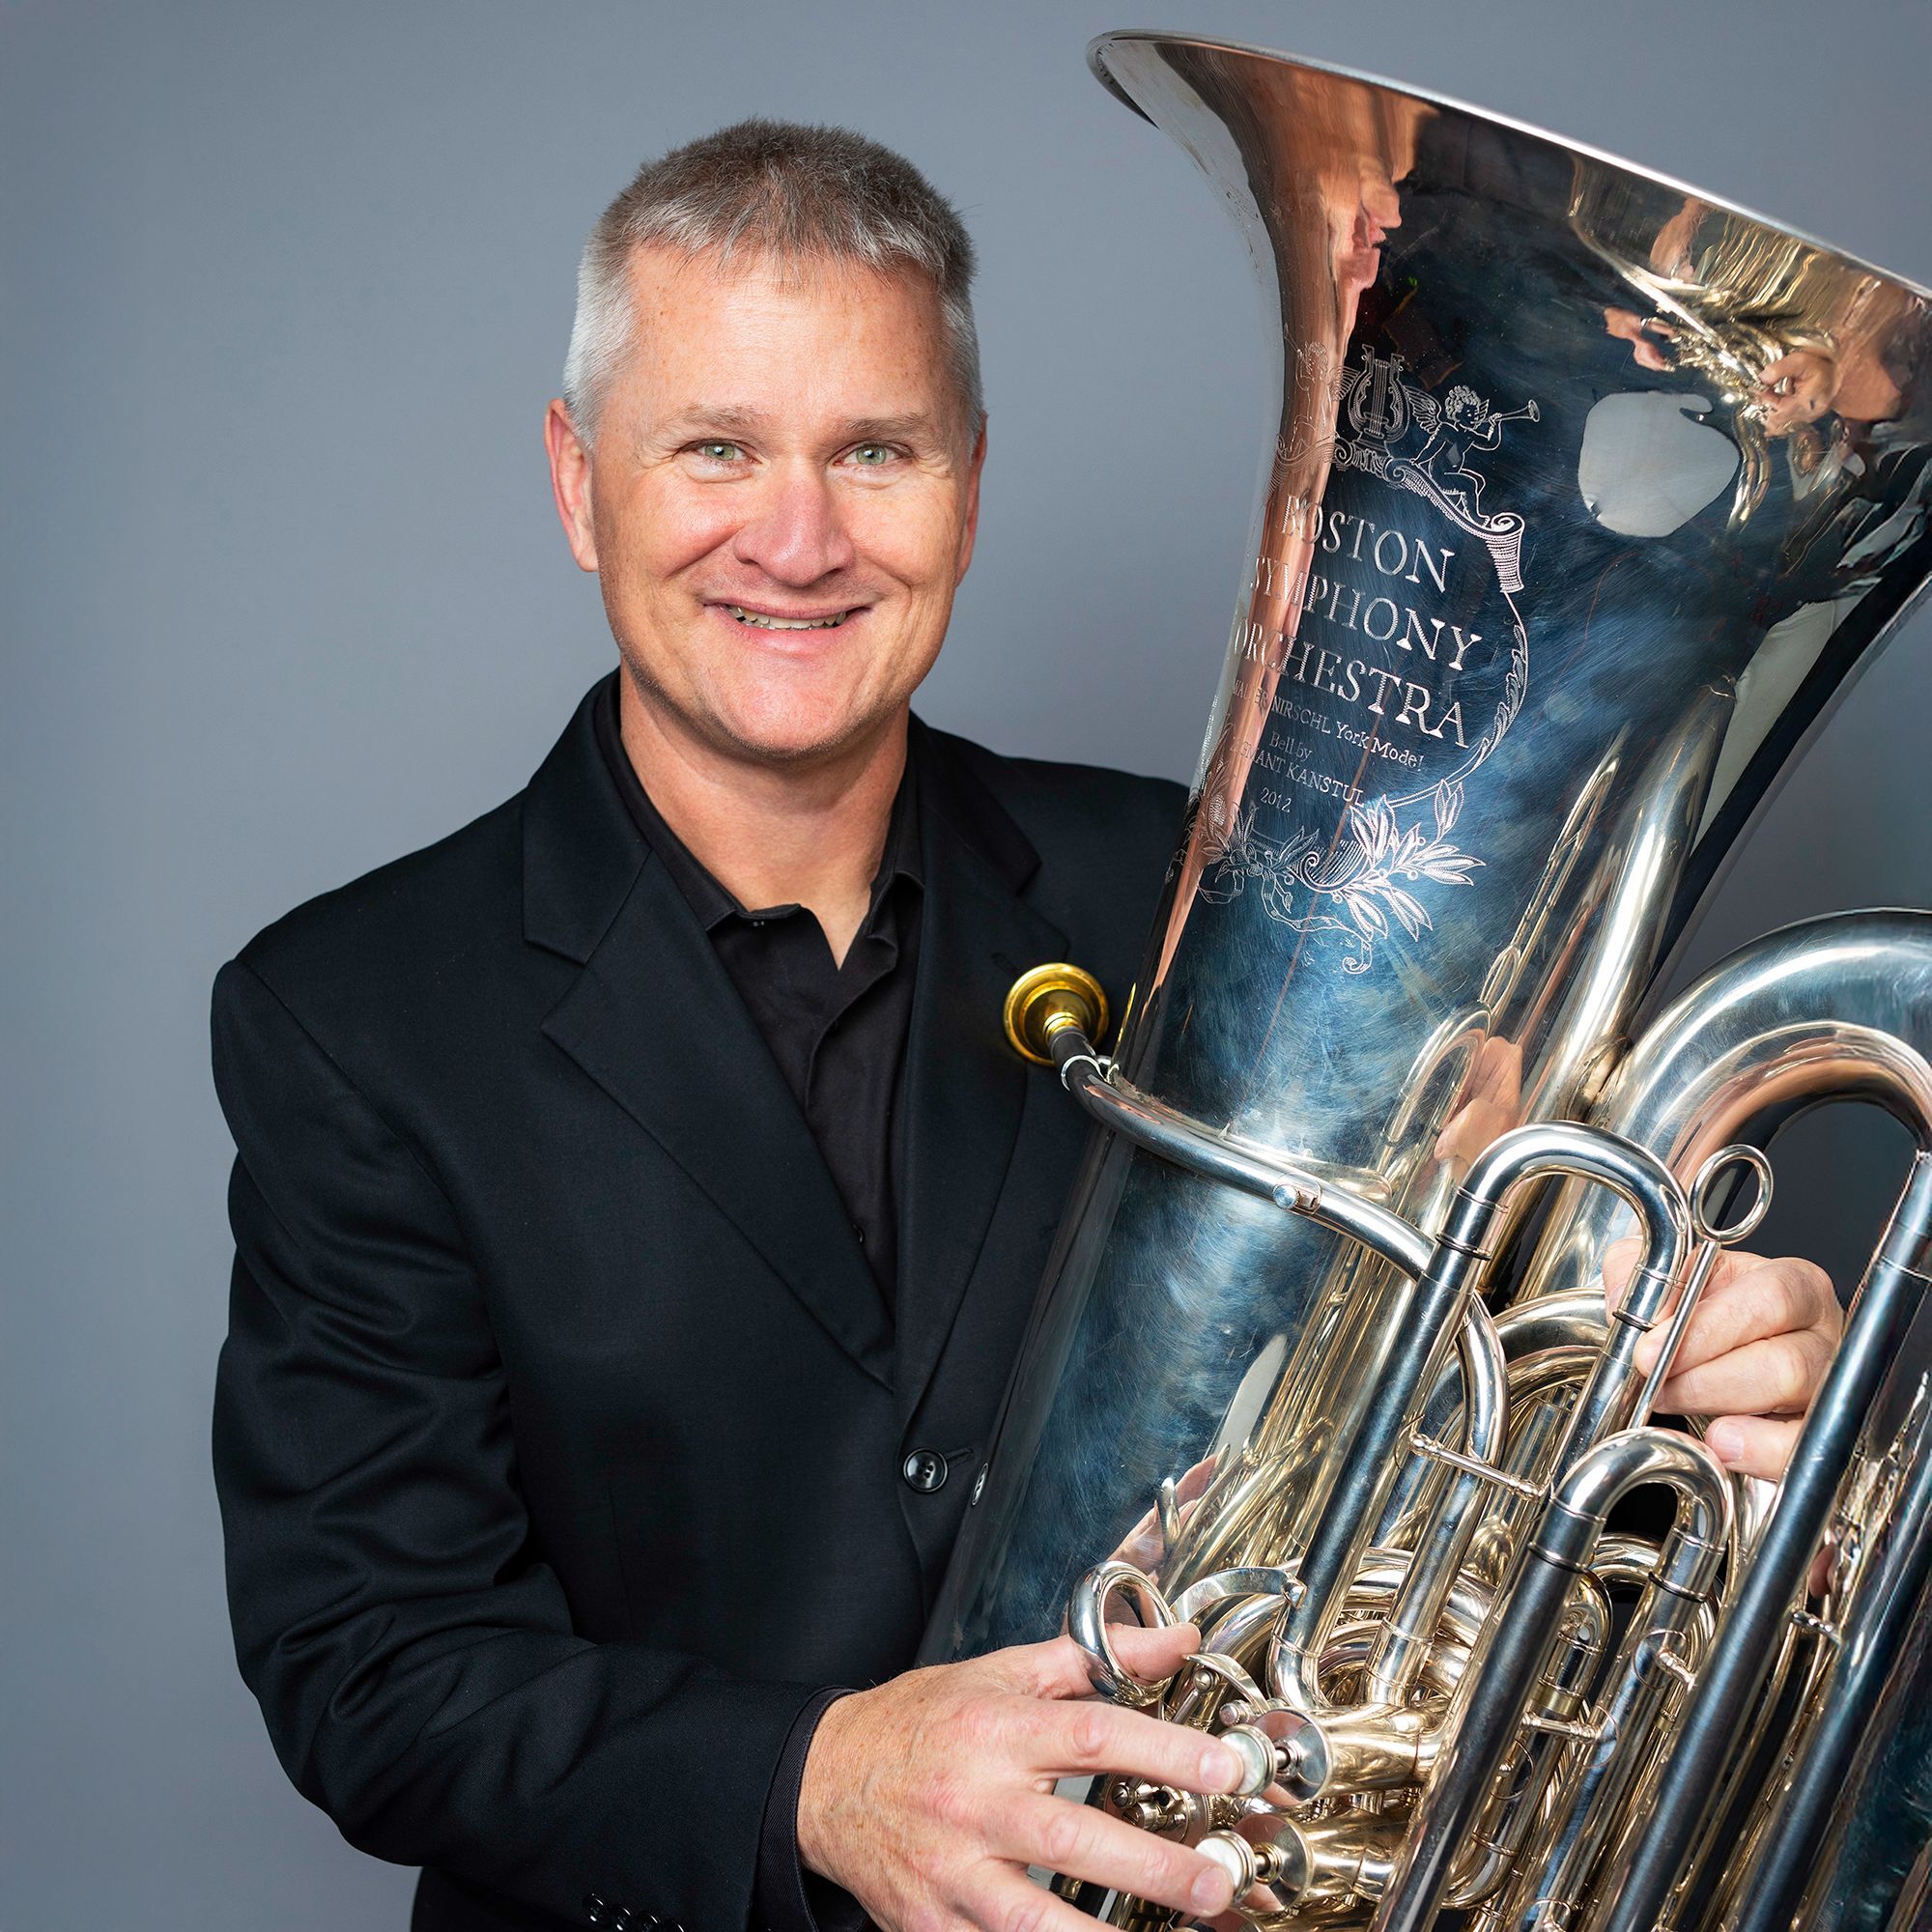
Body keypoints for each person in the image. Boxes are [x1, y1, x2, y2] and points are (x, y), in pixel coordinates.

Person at [211, 121, 1844, 1932]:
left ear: (970, 490)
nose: (800, 538)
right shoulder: (356, 1016)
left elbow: (1439, 1442)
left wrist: (1663, 1411)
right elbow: (369, 1667)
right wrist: (819, 1781)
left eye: (876, 453)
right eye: (717, 449)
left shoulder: (1197, 889)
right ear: (581, 481)